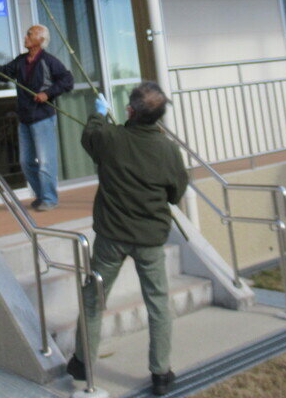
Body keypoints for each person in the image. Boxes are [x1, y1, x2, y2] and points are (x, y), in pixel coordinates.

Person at [65, 82, 189, 396]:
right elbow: (175, 193)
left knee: (93, 299)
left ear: (131, 111)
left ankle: (82, 363)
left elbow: (89, 136)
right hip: (150, 238)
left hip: (111, 237)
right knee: (158, 303)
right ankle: (161, 373)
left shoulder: (110, 137)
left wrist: (98, 114)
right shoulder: (168, 149)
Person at [0, 24, 73, 211]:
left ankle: (50, 199)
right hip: (24, 119)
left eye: (29, 34)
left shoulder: (49, 61)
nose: (25, 37)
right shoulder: (21, 61)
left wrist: (48, 94)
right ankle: (42, 196)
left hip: (43, 118)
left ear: (40, 40)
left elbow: (67, 80)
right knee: (26, 163)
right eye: (27, 34)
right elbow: (3, 74)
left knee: (45, 162)